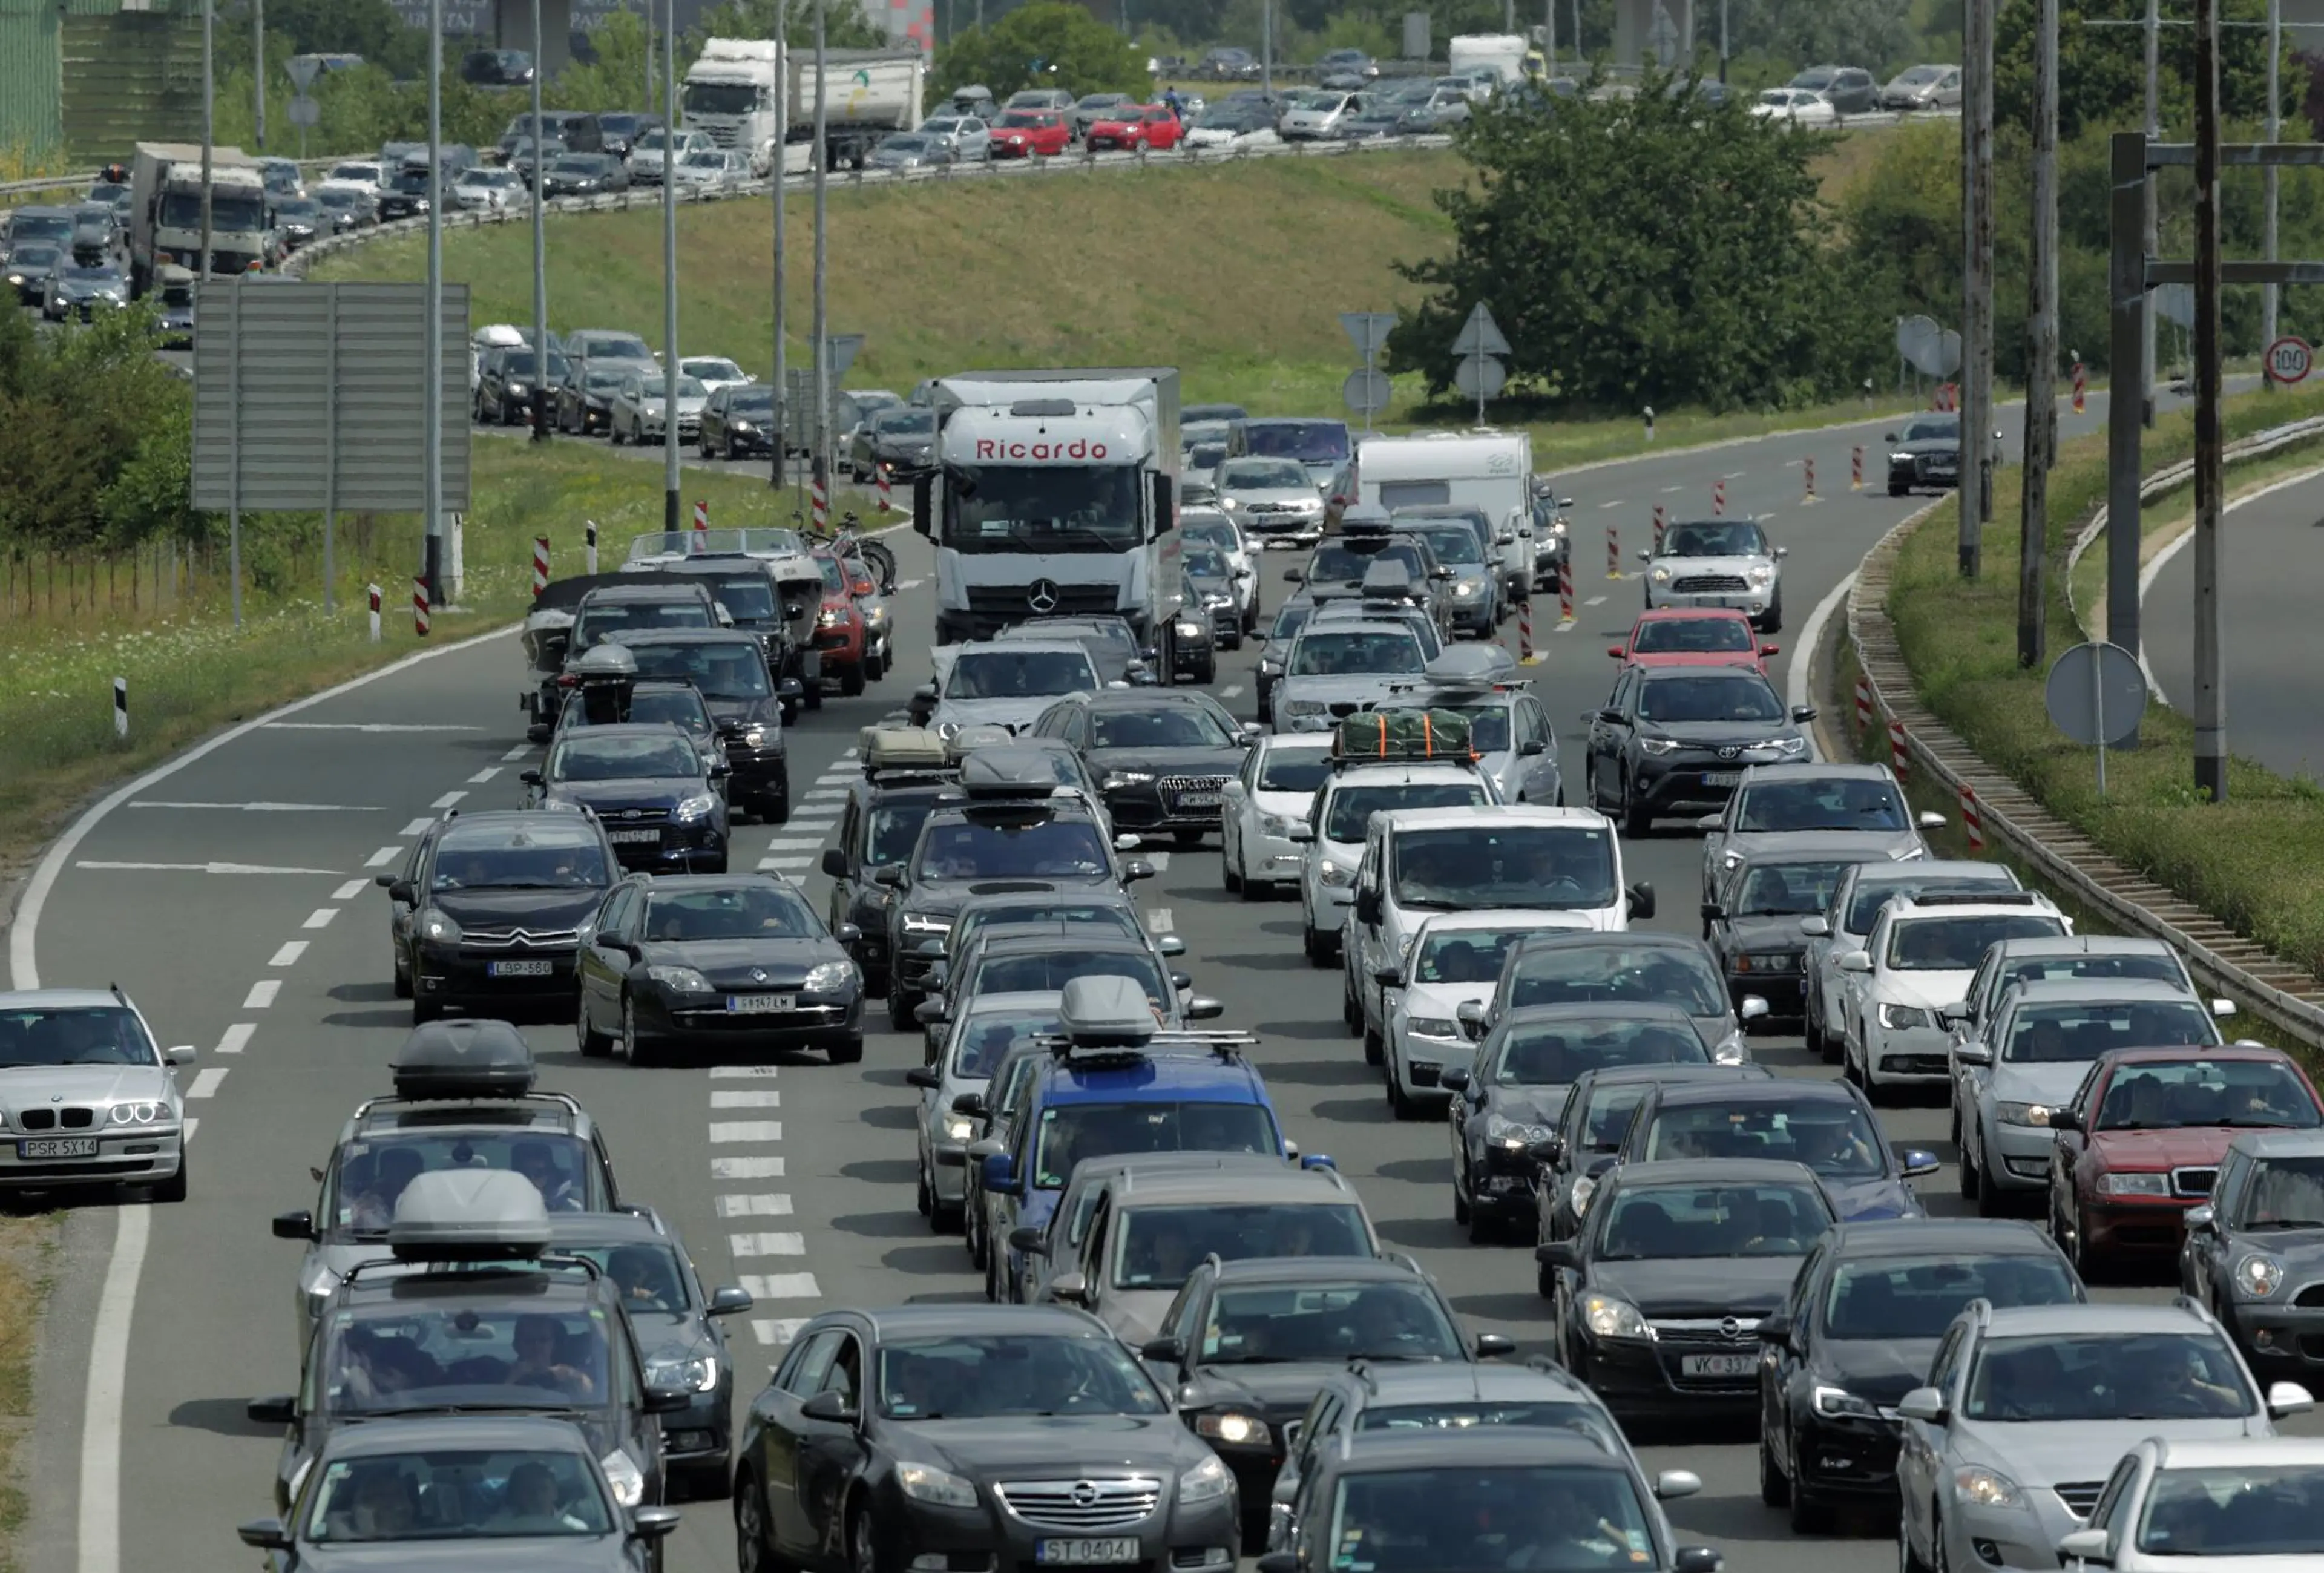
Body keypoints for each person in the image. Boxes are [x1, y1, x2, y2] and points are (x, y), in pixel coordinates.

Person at [505, 1315, 596, 1399]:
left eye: (543, 1340)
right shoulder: (502, 1374)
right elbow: (497, 1406)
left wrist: (575, 1376)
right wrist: (512, 1379)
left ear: (554, 1344)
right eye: (529, 1341)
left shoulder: (569, 1375)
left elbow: (593, 1401)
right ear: (517, 1345)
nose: (537, 1346)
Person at [496, 1460, 586, 1534]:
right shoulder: (498, 1531)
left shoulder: (577, 1530)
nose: (537, 1496)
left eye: (543, 1489)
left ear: (555, 1492)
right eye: (530, 1490)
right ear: (517, 1495)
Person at [350, 1147, 427, 1232]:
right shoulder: (367, 1203)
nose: (404, 1181)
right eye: (394, 1172)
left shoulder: (428, 1201)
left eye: (411, 1174)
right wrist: (357, 1215)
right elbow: (344, 1221)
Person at [332, 1470, 419, 1540]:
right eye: (375, 1497)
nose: (387, 1503)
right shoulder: (339, 1539)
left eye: (396, 1495)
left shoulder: (423, 1541)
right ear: (354, 1508)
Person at [511, 1141, 583, 1212]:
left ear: (549, 1173)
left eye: (539, 1173)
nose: (533, 1178)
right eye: (526, 1174)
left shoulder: (570, 1208)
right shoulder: (509, 1207)